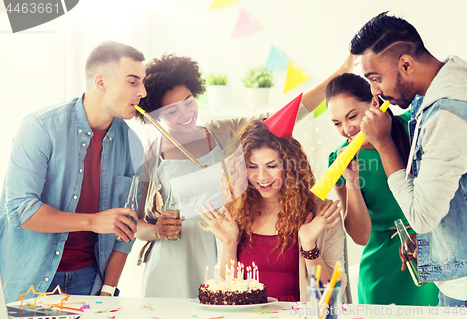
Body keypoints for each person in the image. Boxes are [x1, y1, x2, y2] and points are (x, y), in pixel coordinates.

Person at [135, 53, 356, 299]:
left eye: (189, 101)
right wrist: (157, 230)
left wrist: (339, 74)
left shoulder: (225, 130)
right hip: (178, 259)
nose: (185, 113)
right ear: (155, 114)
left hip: (227, 246)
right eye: (172, 110)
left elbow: (286, 118)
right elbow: (134, 224)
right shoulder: (152, 154)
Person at [350, 12, 467, 307]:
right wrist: (436, 241)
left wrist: (384, 144)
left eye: (376, 78)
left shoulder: (448, 115)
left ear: (406, 64)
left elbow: (420, 216)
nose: (375, 92)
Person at [0, 41, 146, 303]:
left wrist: (108, 289)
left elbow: (126, 227)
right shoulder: (40, 127)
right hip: (32, 279)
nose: (143, 92)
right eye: (133, 82)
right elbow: (20, 210)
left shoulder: (131, 143)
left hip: (91, 280)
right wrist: (93, 221)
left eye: (142, 82)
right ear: (101, 82)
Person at [197, 119, 346, 302]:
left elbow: (333, 290)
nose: (262, 177)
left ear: (290, 166)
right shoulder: (232, 215)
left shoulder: (320, 213)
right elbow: (229, 289)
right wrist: (229, 243)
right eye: (252, 167)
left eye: (272, 166)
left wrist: (309, 245)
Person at [325, 73, 439, 305]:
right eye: (337, 123)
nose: (346, 129)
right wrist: (351, 181)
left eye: (352, 116)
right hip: (380, 267)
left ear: (375, 103)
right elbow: (360, 236)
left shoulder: (414, 126)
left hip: (431, 250)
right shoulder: (338, 161)